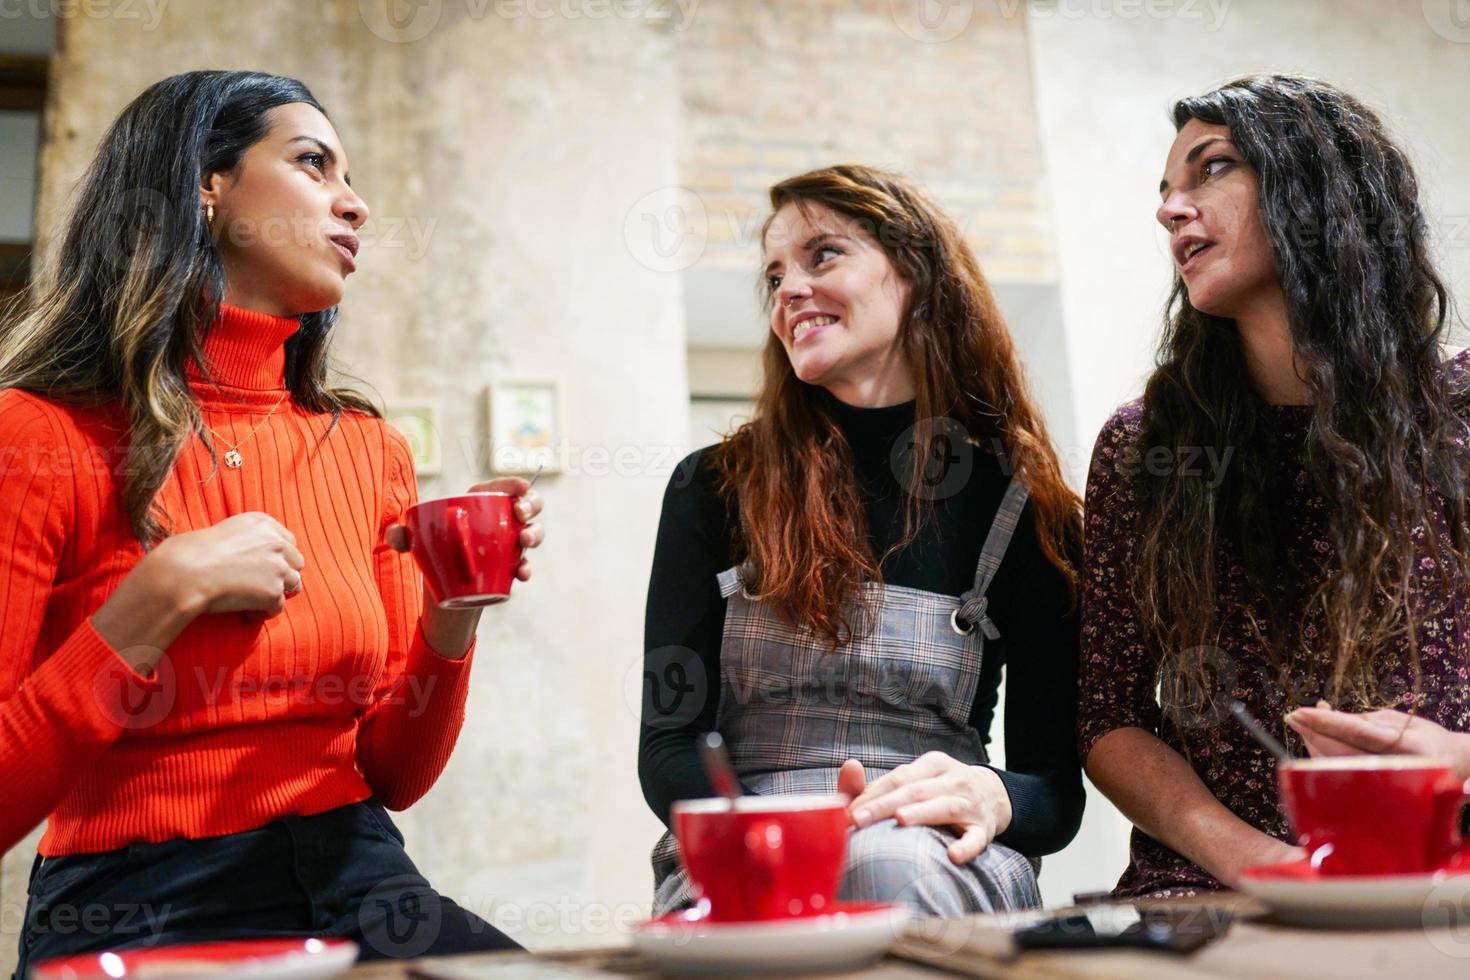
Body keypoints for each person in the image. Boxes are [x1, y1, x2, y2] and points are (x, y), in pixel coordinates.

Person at [0, 71, 544, 973]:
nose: (354, 203)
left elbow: (394, 776)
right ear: (204, 187)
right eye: (313, 163)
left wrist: (453, 614)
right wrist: (158, 597)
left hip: (359, 876)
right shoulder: (39, 435)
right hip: (131, 903)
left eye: (349, 176)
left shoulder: (369, 450)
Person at [639, 164, 1085, 917]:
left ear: (916, 276)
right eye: (774, 274)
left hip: (930, 842)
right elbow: (667, 745)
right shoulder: (708, 488)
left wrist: (991, 796)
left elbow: (1055, 793)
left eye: (822, 256)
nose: (787, 290)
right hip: (743, 841)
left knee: (885, 867)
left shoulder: (1022, 506)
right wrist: (785, 834)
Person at [1079, 74, 1470, 898]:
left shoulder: (1460, 415)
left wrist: (1458, 761)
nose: (1170, 210)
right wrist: (1256, 861)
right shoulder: (1145, 449)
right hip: (1215, 889)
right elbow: (1110, 718)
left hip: (1446, 869)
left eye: (1210, 169)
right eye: (1164, 192)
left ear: (1316, 184)